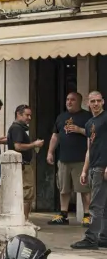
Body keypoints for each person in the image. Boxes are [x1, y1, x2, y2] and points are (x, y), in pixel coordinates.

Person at [47, 92, 92, 225]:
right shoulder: (61, 117)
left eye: (72, 100)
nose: (69, 102)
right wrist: (50, 152)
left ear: (79, 101)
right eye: (67, 99)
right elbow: (55, 136)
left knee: (84, 189)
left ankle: (87, 215)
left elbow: (93, 134)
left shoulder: (87, 117)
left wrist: (80, 130)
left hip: (81, 160)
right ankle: (63, 215)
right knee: (63, 188)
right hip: (63, 159)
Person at [74, 91, 107, 250]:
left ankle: (91, 238)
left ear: (103, 102)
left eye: (98, 101)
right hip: (94, 166)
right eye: (92, 101)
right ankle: (104, 237)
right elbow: (89, 148)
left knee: (95, 205)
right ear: (88, 103)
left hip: (102, 167)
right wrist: (84, 171)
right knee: (103, 205)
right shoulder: (89, 124)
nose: (95, 104)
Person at [7, 105, 45, 216]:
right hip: (23, 165)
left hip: (20, 165)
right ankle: (25, 220)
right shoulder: (17, 128)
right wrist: (34, 144)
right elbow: (18, 146)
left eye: (30, 115)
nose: (29, 118)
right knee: (27, 193)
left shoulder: (16, 128)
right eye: (27, 115)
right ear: (19, 114)